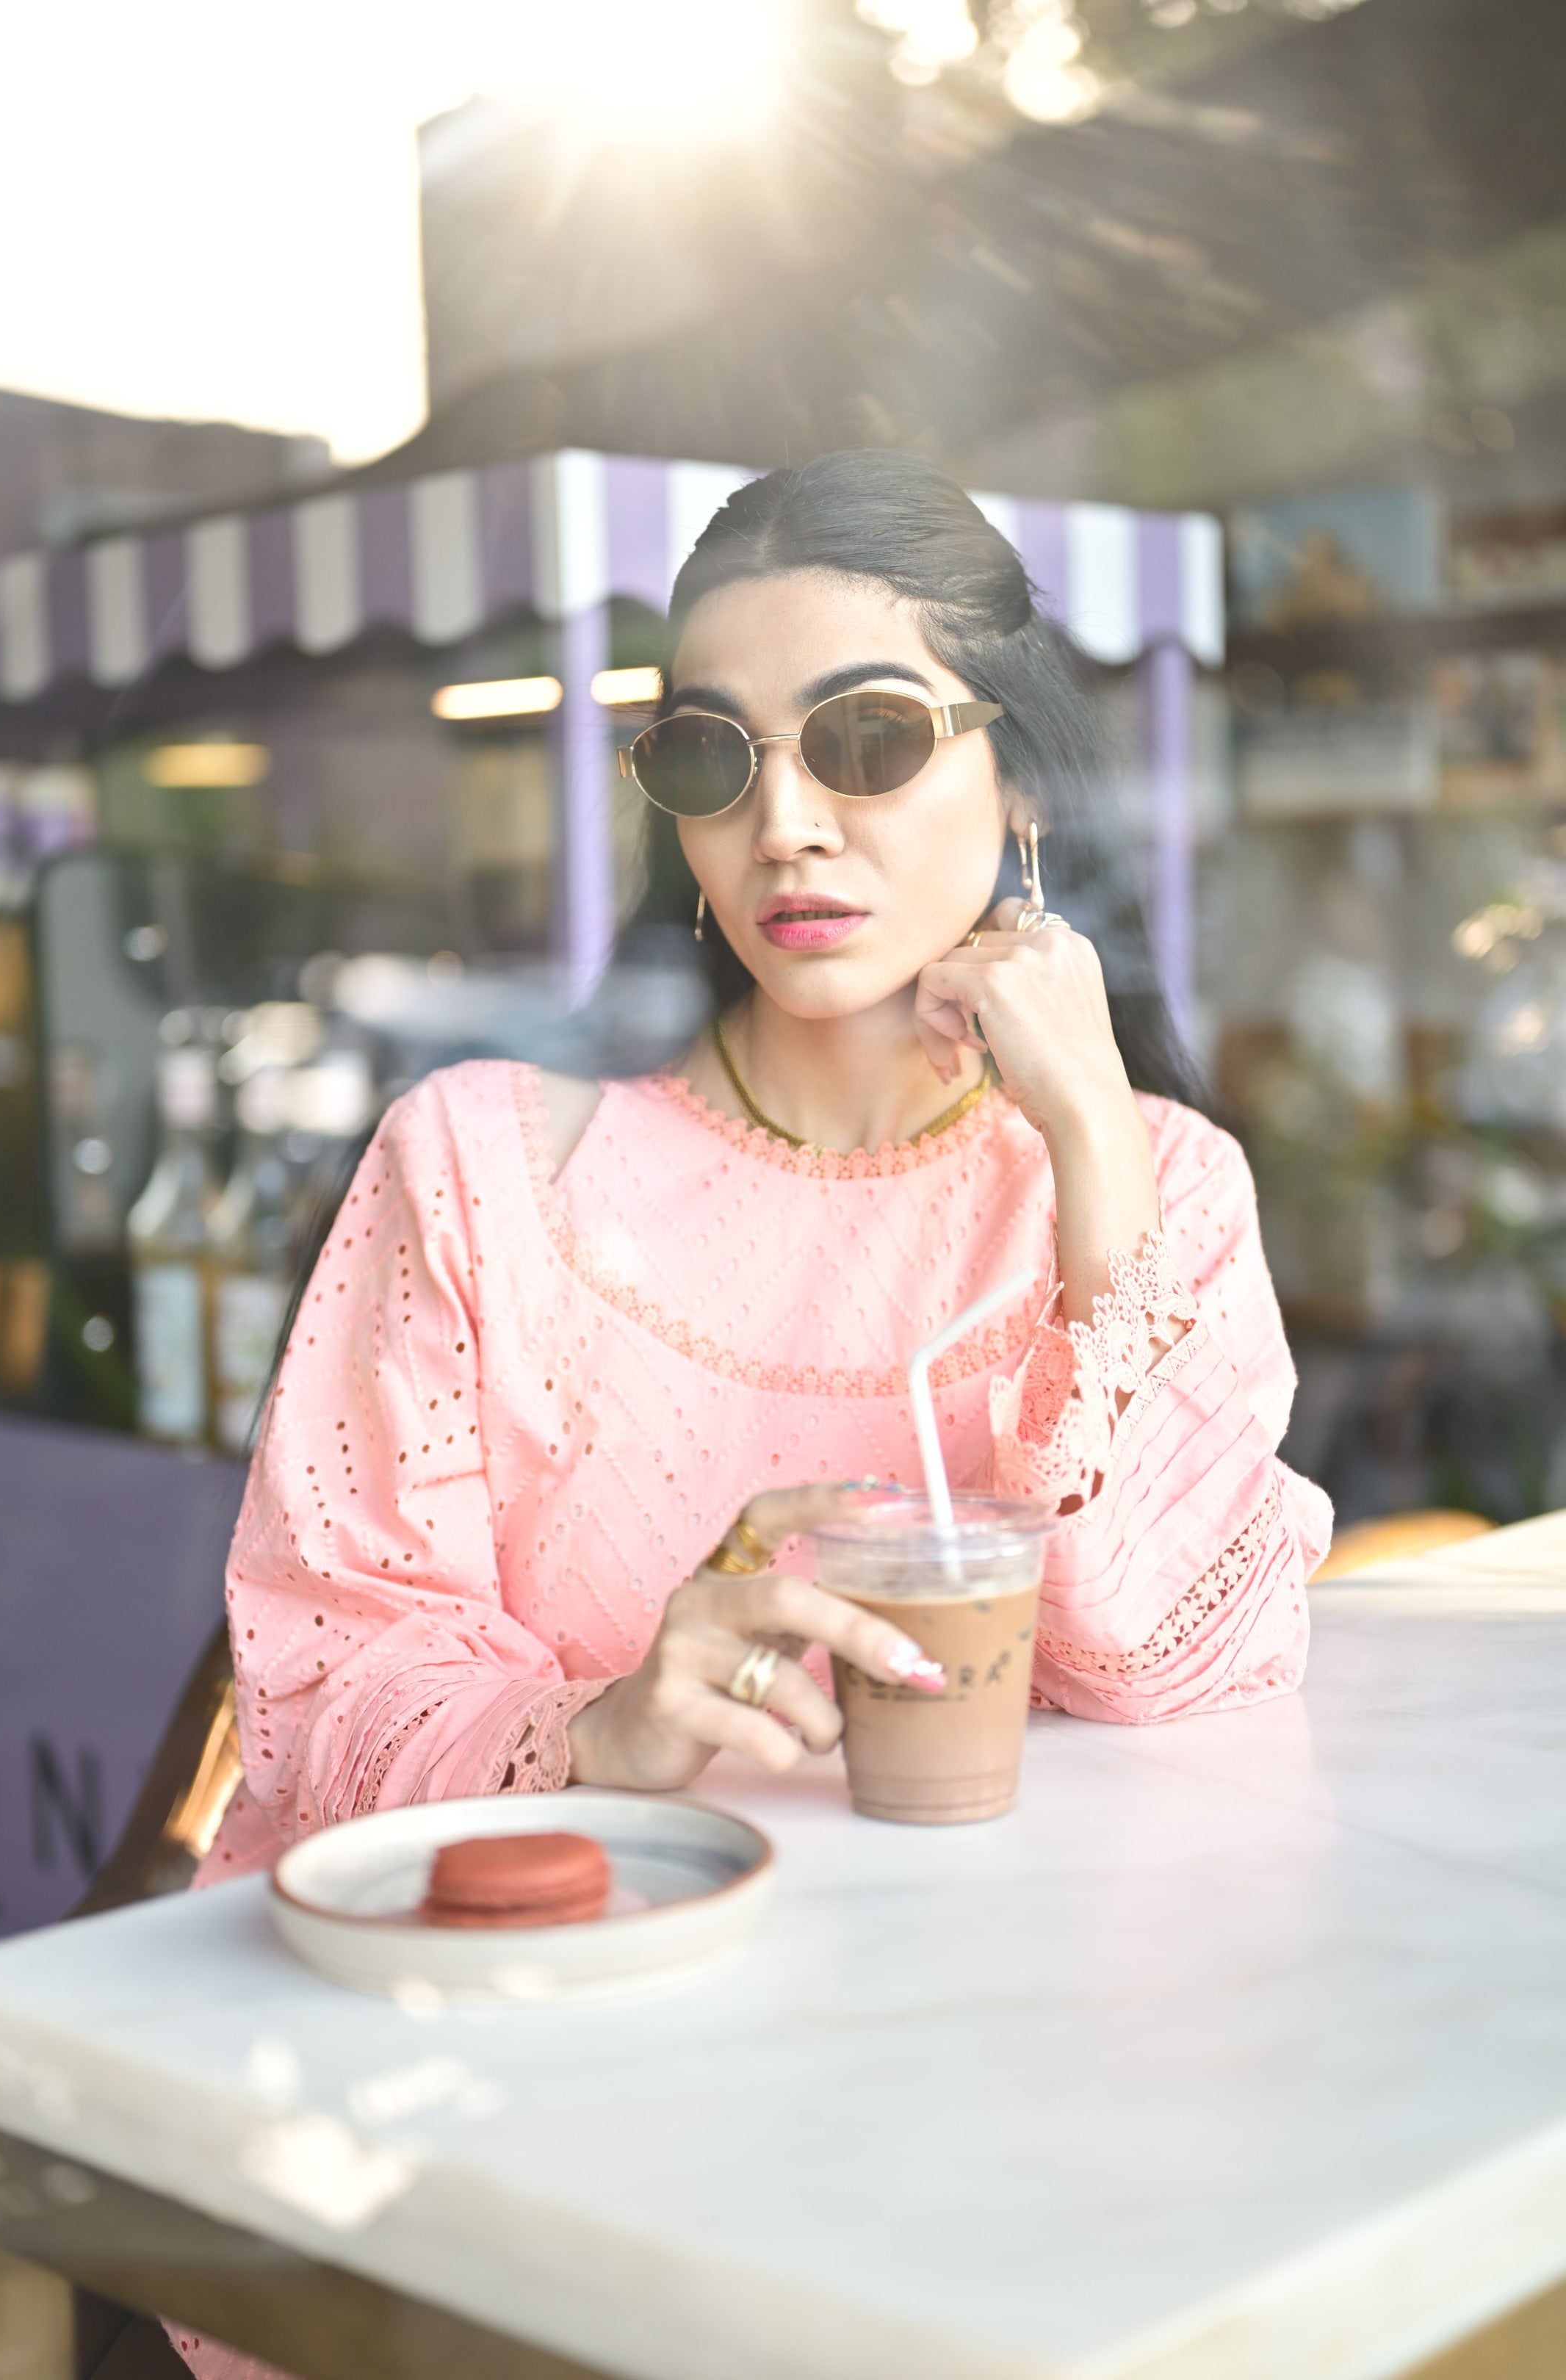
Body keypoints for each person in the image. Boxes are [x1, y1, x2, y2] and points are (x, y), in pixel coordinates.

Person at [171, 445, 1330, 2378]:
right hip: (491, 2135)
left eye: (868, 740)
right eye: (715, 756)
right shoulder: (478, 1173)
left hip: (985, 2143)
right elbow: (312, 1698)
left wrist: (1091, 1154)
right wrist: (596, 1726)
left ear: (1017, 786)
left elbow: (1173, 1671)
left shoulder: (1159, 1192)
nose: (787, 822)